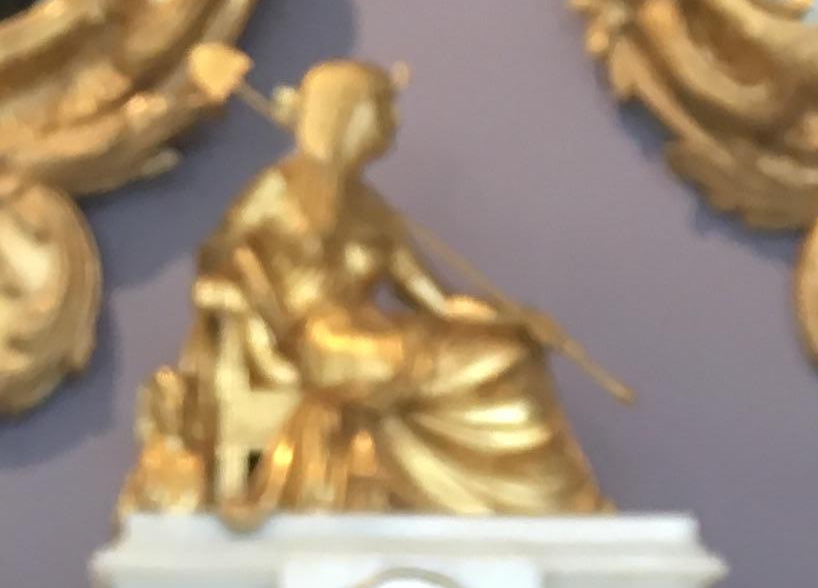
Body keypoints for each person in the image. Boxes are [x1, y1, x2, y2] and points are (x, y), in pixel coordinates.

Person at [125, 59, 610, 526]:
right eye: (382, 107)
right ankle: (539, 500)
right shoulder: (279, 187)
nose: (392, 122)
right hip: (322, 347)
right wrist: (238, 294)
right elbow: (217, 258)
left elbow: (437, 302)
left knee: (508, 356)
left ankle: (545, 501)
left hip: (376, 339)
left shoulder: (373, 209)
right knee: (455, 361)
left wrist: (512, 322)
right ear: (349, 113)